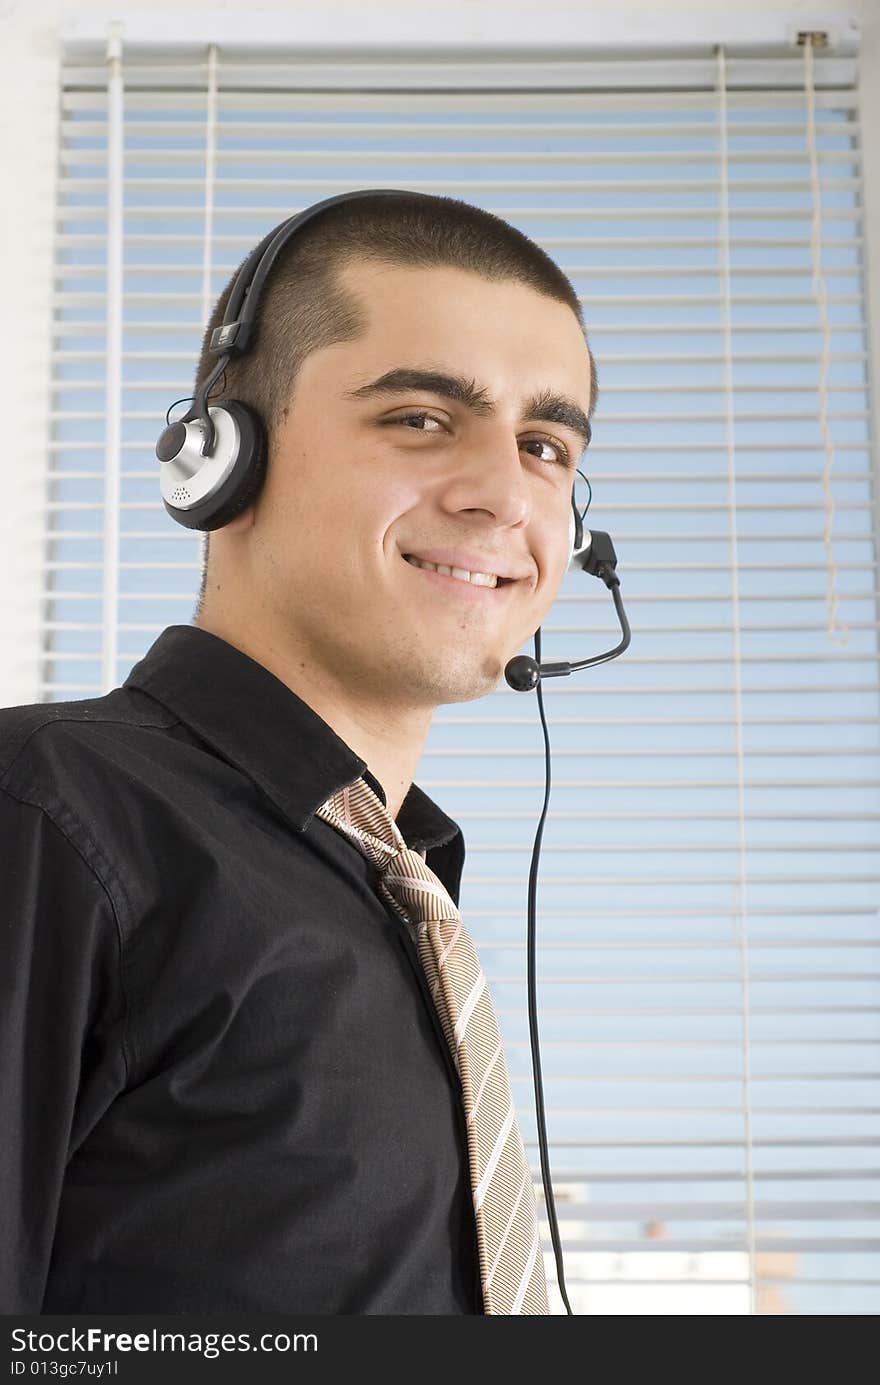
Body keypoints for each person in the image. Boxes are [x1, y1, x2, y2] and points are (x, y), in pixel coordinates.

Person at [0, 191, 596, 1314]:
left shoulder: (400, 883)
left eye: (545, 444)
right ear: (218, 457)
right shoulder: (44, 815)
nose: (506, 493)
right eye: (421, 417)